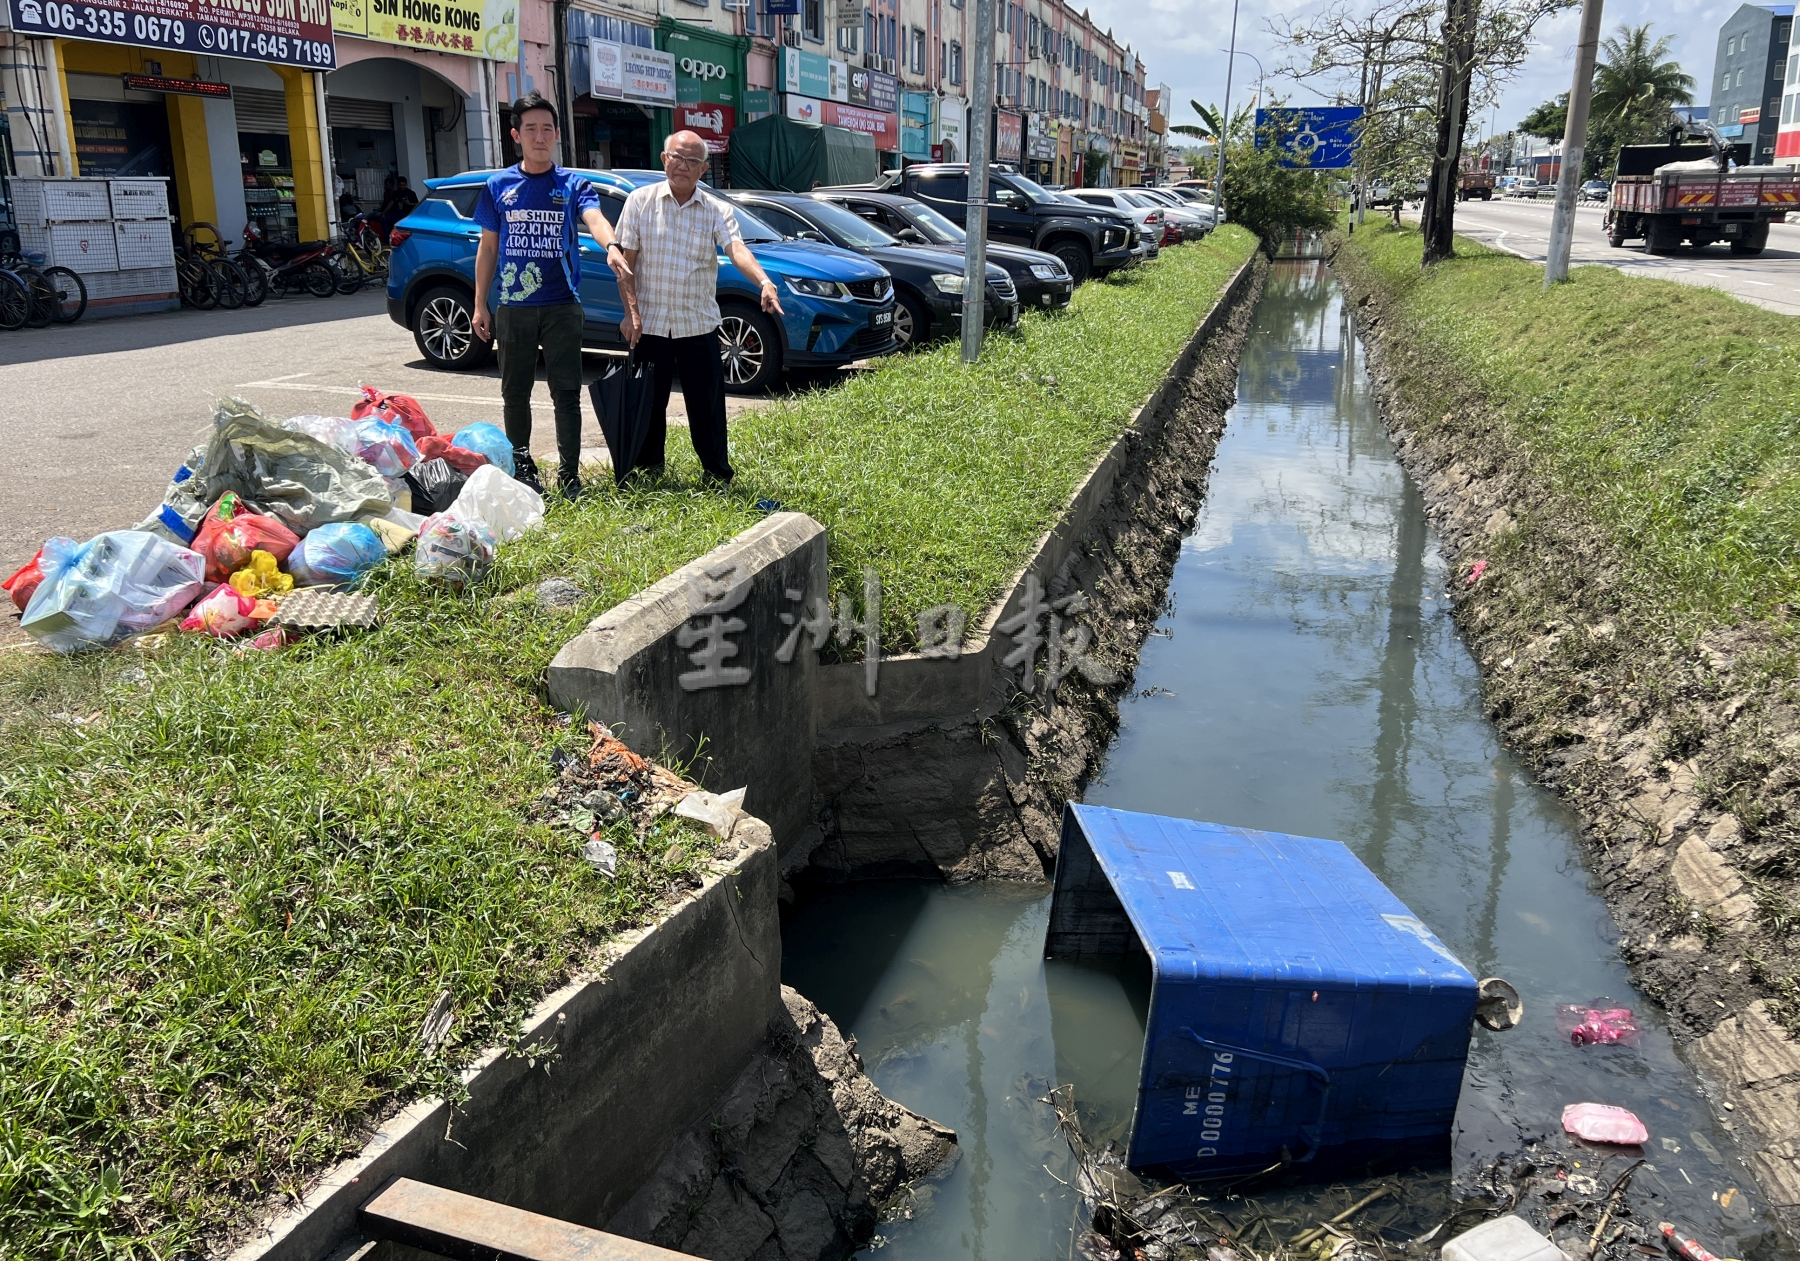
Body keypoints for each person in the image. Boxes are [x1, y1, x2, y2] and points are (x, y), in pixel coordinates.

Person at [472, 91, 630, 498]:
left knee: (566, 393)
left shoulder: (573, 184)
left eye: (547, 129)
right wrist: (479, 305)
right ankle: (523, 468)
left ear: (557, 134)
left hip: (562, 306)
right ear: (516, 136)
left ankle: (569, 474)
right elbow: (488, 247)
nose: (539, 137)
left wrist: (611, 246)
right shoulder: (497, 185)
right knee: (515, 394)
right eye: (531, 129)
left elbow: (595, 218)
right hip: (514, 308)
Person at [614, 130, 783, 485]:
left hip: (697, 325)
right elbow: (626, 265)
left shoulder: (716, 210)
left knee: (707, 407)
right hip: (651, 325)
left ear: (704, 169)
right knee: (647, 405)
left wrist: (764, 282)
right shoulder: (639, 202)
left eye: (692, 161)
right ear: (664, 159)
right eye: (677, 157)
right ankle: (648, 474)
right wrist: (630, 313)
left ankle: (716, 474)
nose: (683, 166)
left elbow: (736, 249)